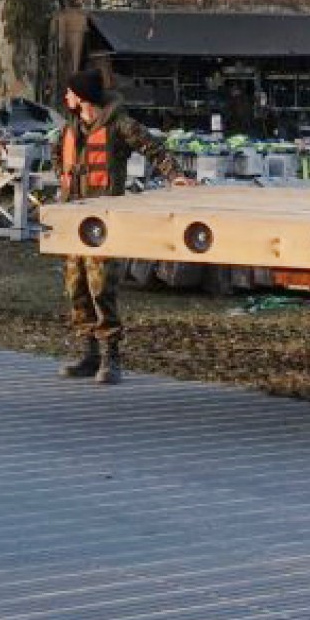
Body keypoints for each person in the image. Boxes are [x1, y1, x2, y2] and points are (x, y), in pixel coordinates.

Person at [51, 67, 194, 386]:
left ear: (83, 98)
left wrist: (175, 175)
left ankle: (110, 358)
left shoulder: (120, 125)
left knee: (102, 287)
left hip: (103, 221)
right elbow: (56, 156)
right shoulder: (69, 128)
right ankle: (87, 353)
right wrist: (64, 179)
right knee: (76, 288)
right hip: (73, 219)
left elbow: (154, 148)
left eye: (70, 93)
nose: (66, 97)